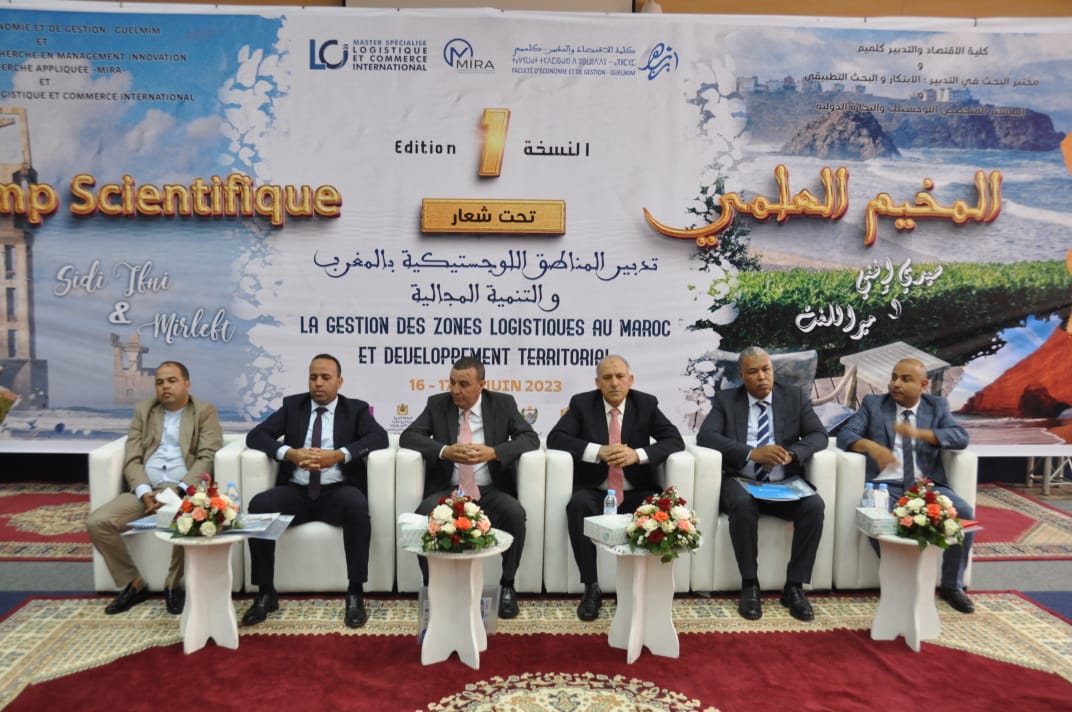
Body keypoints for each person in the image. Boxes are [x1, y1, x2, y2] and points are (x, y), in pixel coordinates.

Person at [242, 354, 389, 628]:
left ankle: (355, 592)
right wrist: (290, 453)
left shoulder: (355, 409)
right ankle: (265, 592)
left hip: (338, 490)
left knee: (358, 507)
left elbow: (379, 438)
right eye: (313, 377)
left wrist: (339, 455)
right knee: (259, 506)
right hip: (296, 490)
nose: (318, 383)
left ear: (339, 381)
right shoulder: (293, 406)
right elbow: (256, 435)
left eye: (325, 377)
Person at [400, 356, 539, 619]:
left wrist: (494, 452)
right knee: (423, 515)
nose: (455, 390)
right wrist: (445, 450)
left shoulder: (503, 404)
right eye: (452, 382)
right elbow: (409, 436)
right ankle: (433, 587)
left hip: (490, 489)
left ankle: (508, 586)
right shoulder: (437, 404)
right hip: (450, 490)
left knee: (514, 514)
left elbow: (530, 438)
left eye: (463, 384)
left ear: (481, 385)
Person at [547, 355, 684, 621]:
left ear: (630, 380)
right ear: (597, 382)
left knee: (658, 510)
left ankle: (639, 587)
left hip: (635, 489)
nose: (614, 383)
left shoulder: (646, 404)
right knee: (577, 505)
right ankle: (591, 587)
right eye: (607, 378)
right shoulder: (582, 404)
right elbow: (556, 438)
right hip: (596, 488)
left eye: (620, 377)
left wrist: (638, 455)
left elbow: (674, 440)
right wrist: (597, 451)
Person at [696, 346, 827, 621]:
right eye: (753, 372)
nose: (762, 377)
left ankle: (794, 587)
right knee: (742, 505)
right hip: (741, 480)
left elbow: (818, 435)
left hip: (783, 482)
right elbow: (706, 436)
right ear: (742, 375)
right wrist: (751, 453)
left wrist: (793, 454)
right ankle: (750, 585)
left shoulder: (793, 397)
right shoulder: (726, 400)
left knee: (814, 506)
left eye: (766, 370)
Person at [837, 357, 975, 613]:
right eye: (893, 377)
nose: (895, 384)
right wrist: (871, 446)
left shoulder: (937, 407)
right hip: (885, 486)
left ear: (923, 384)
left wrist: (921, 434)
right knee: (875, 517)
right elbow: (846, 434)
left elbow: (960, 437)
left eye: (905, 379)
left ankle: (952, 586)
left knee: (964, 513)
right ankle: (899, 582)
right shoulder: (874, 404)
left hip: (927, 486)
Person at [87, 361, 223, 616]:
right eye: (160, 382)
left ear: (187, 383)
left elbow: (207, 456)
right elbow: (132, 457)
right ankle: (133, 583)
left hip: (183, 490)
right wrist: (143, 492)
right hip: (146, 490)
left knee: (189, 516)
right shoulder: (144, 411)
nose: (165, 387)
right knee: (98, 522)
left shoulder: (204, 411)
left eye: (172, 381)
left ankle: (173, 584)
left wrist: (179, 491)